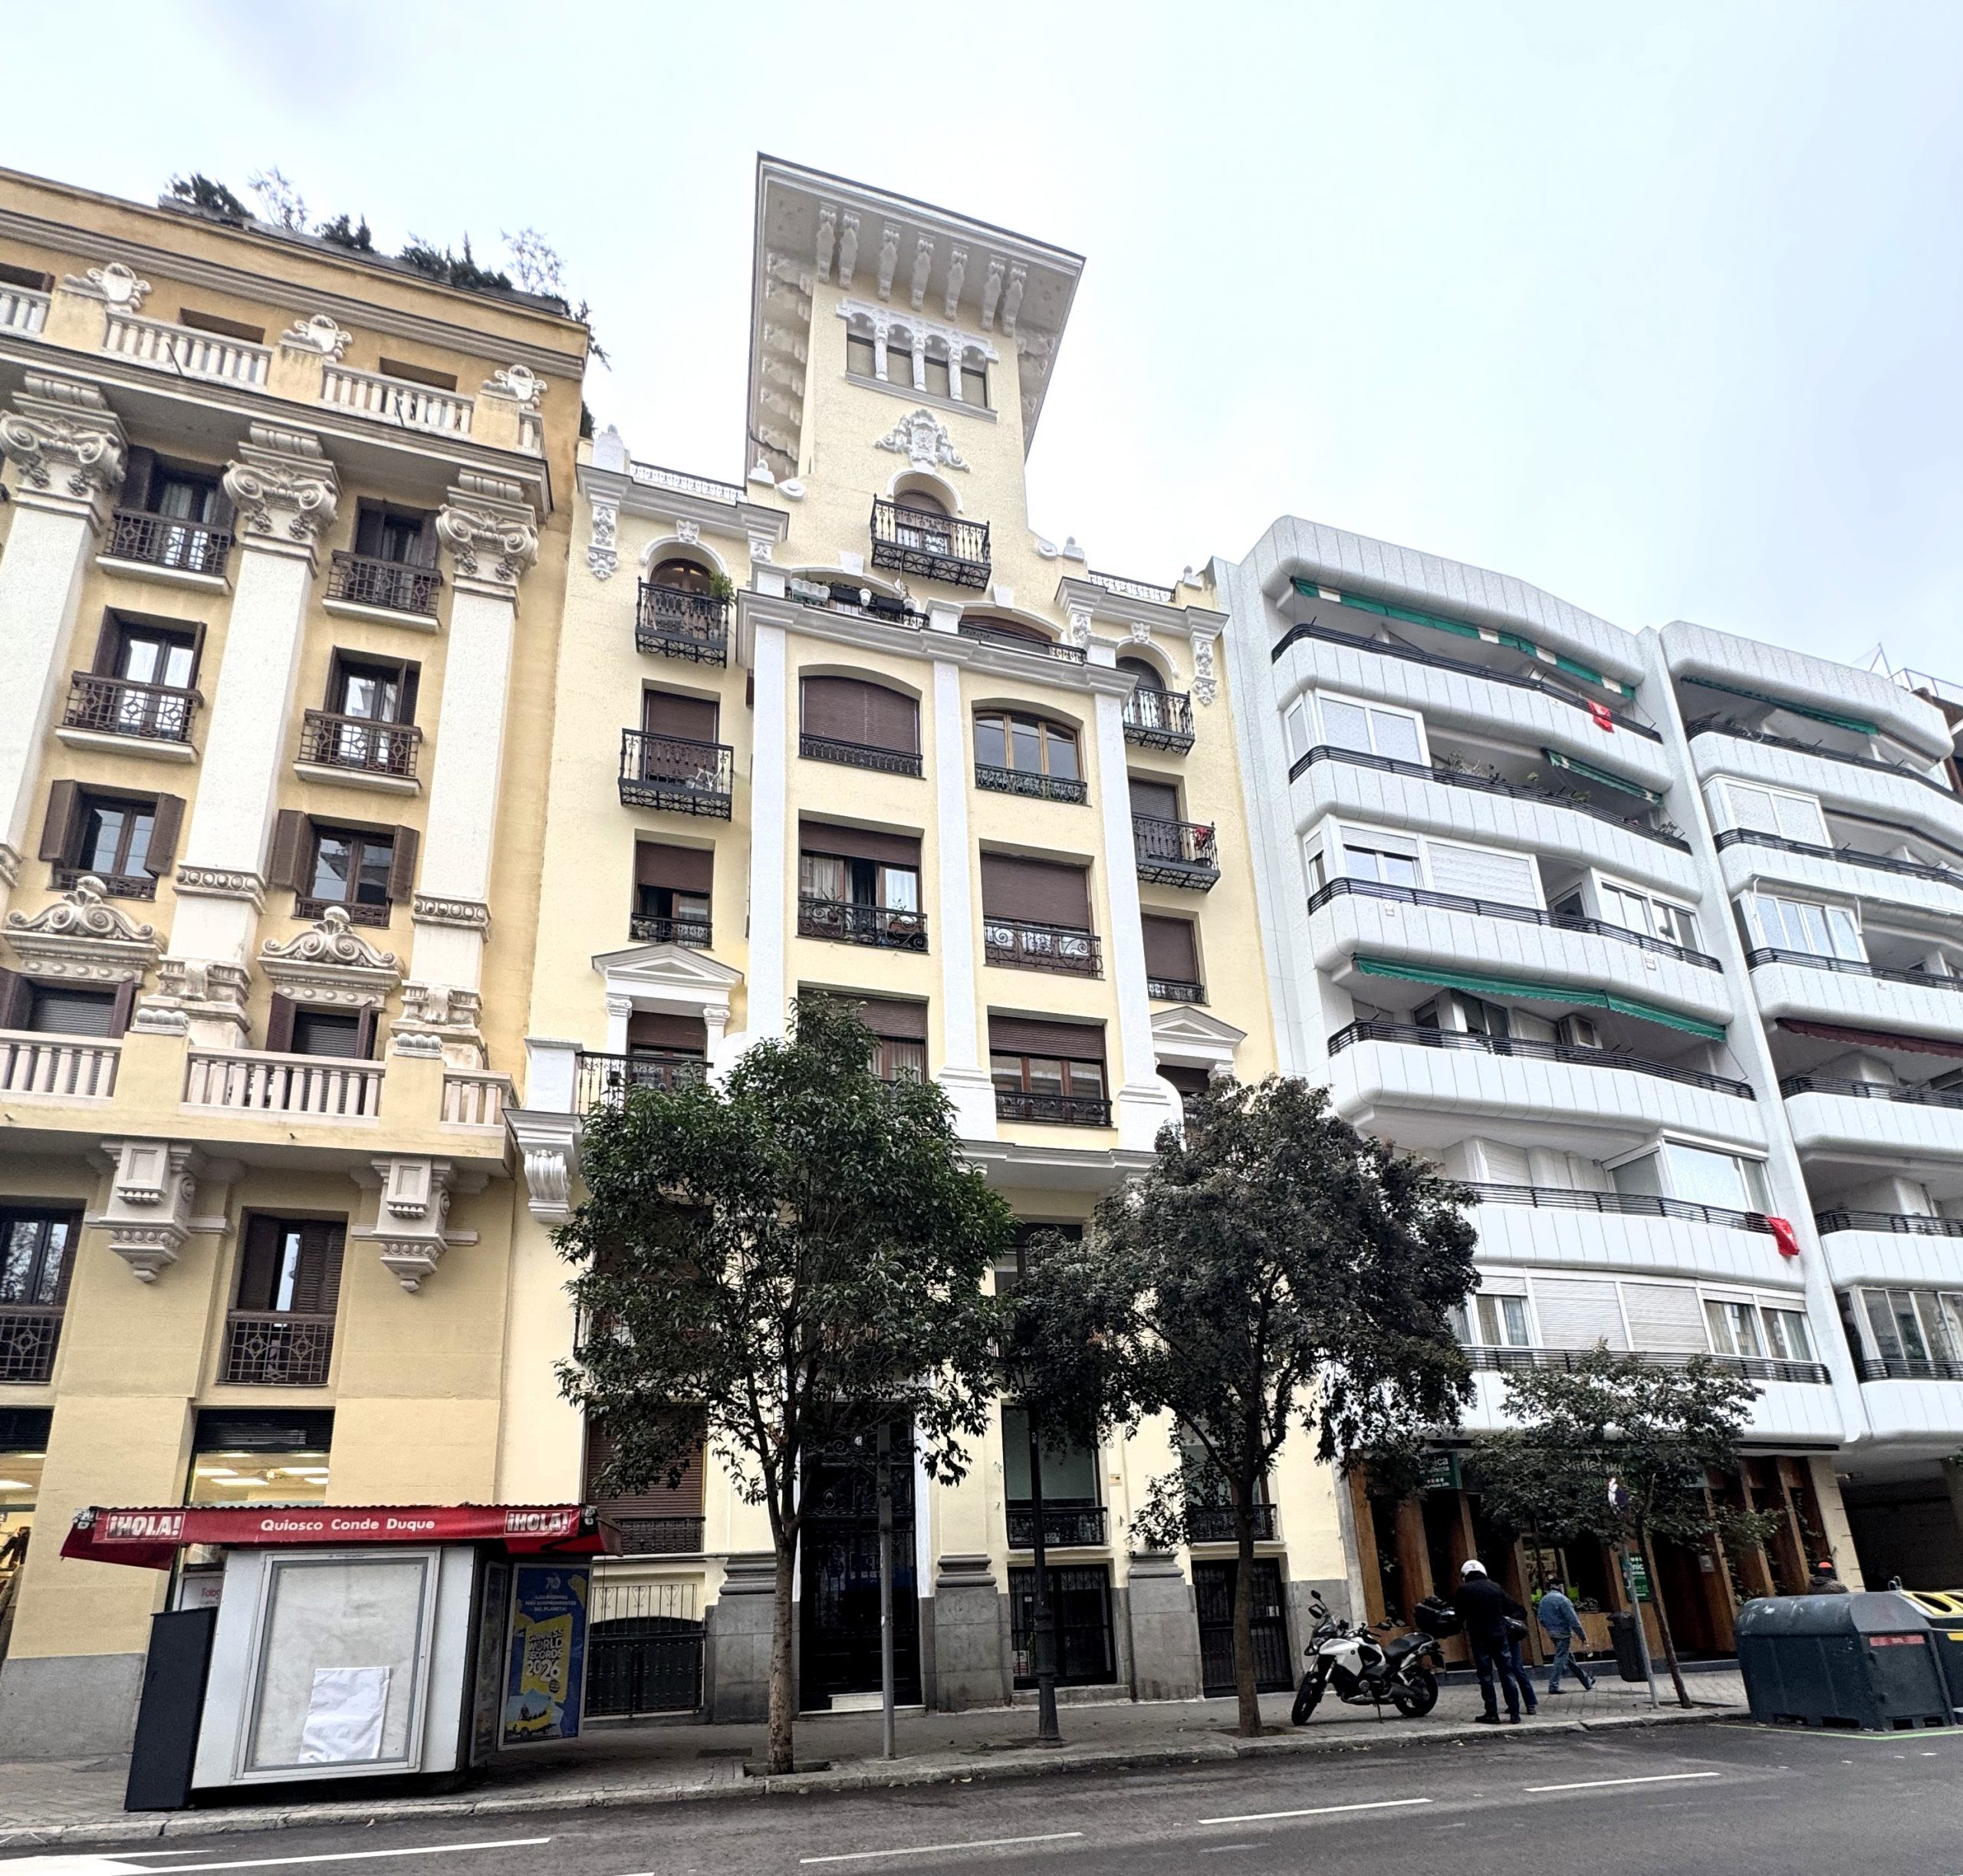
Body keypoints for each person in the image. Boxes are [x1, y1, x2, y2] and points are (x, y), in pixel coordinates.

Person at [1454, 1558, 1538, 1723]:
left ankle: (1492, 1712)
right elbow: (1513, 1608)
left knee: (1485, 1676)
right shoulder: (1495, 1587)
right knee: (1507, 1673)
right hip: (1499, 1635)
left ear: (1465, 1574)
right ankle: (1515, 1713)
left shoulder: (1464, 1589)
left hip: (1479, 1637)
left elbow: (1459, 1615)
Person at [1535, 1585, 1595, 1693]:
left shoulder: (1544, 1600)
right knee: (1561, 1658)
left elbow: (1540, 1617)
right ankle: (1553, 1685)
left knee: (1569, 1659)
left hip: (1552, 1633)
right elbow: (1573, 1620)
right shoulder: (1563, 1600)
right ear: (1560, 1587)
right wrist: (1583, 1636)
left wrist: (1549, 1628)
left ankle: (1586, 1681)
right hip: (1563, 1633)